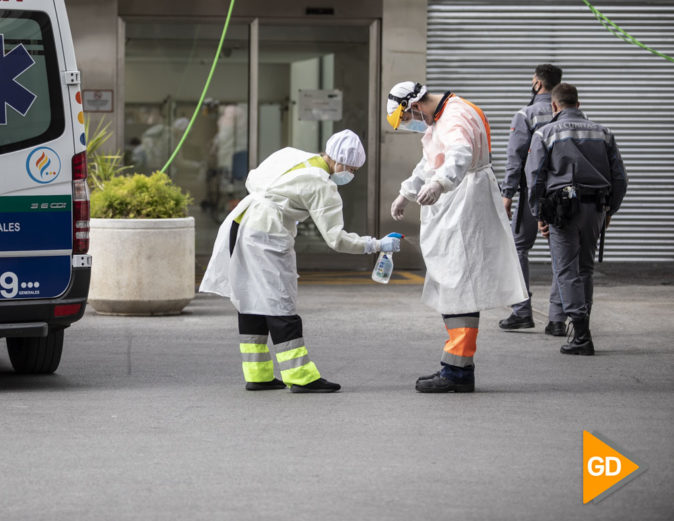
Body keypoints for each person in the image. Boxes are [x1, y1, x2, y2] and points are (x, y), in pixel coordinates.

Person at [200, 130, 401, 394]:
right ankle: (301, 376)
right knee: (280, 303)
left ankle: (257, 375)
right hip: (267, 235)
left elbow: (253, 177)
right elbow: (336, 239)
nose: (350, 174)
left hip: (242, 223)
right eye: (351, 169)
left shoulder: (291, 155)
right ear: (339, 163)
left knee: (251, 301)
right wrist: (376, 244)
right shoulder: (322, 184)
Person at [387, 81, 526, 393]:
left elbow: (458, 155)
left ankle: (457, 373)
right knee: (453, 283)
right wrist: (405, 193)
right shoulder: (444, 115)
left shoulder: (454, 117)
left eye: (407, 118)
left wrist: (440, 184)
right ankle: (455, 367)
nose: (410, 124)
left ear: (414, 105)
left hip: (464, 203)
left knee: (459, 285)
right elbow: (431, 161)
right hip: (458, 199)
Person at [525, 83, 627, 356]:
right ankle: (581, 328)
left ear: (554, 106)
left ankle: (582, 335)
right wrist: (609, 211)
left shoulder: (544, 133)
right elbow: (620, 178)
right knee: (585, 269)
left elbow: (534, 178)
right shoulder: (604, 133)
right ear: (578, 104)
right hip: (595, 209)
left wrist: (539, 214)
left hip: (562, 212)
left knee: (566, 270)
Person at [499, 64, 566, 335]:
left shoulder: (526, 114)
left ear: (537, 83)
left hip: (531, 193)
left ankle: (522, 311)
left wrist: (507, 194)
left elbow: (516, 159)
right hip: (562, 195)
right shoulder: (567, 114)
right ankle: (558, 319)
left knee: (518, 248)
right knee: (562, 253)